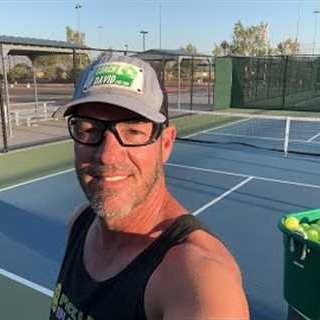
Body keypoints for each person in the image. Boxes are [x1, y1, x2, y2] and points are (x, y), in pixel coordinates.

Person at [50, 54, 249, 320]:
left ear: (165, 143)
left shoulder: (200, 277)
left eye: (133, 132)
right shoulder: (79, 223)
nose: (107, 155)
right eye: (88, 129)